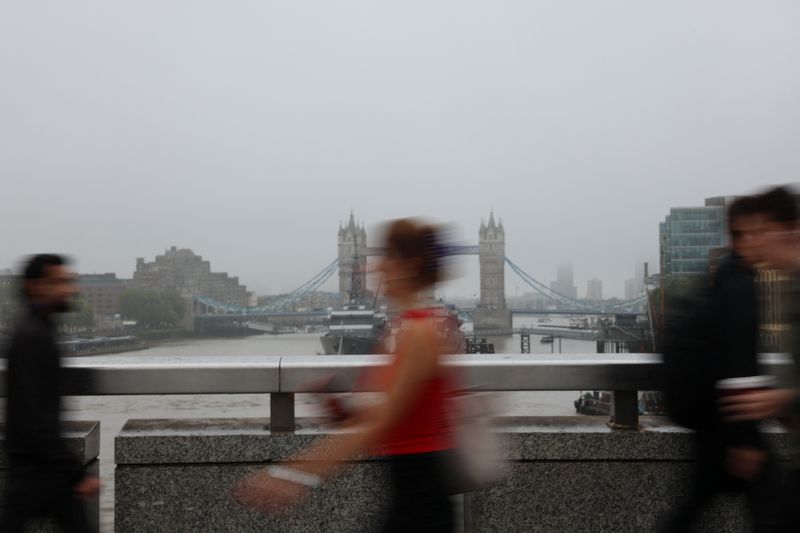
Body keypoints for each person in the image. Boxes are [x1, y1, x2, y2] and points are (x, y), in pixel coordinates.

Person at [233, 219, 457, 532]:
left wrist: (294, 474)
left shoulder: (419, 333)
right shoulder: (405, 329)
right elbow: (390, 413)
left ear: (411, 265)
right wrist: (338, 407)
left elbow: (382, 422)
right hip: (408, 495)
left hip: (421, 503)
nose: (376, 266)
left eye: (388, 257)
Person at [661, 196, 777, 532]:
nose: (767, 238)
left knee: (693, 507)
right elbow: (738, 363)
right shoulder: (742, 284)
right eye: (763, 231)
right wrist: (744, 441)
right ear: (745, 236)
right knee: (772, 509)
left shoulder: (723, 275)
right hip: (731, 425)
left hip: (712, 421)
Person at [1, 254, 100, 533]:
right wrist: (77, 473)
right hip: (39, 471)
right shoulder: (33, 337)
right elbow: (36, 418)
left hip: (38, 469)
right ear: (35, 286)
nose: (70, 289)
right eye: (59, 282)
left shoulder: (36, 329)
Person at [721, 185, 800, 530]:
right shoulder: (783, 283)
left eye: (763, 231)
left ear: (789, 231)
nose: (756, 242)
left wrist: (786, 397)